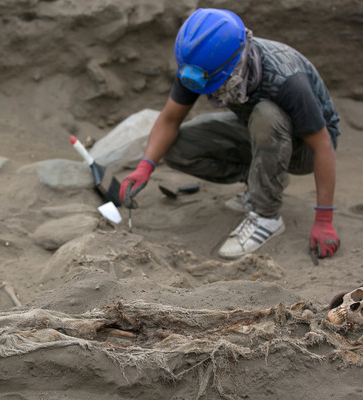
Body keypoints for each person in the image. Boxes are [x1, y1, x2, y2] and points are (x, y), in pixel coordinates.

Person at [119, 8, 340, 260]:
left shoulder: (285, 78)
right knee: (175, 146)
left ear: (234, 61)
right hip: (257, 129)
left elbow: (323, 145)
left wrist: (324, 219)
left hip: (305, 149)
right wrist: (145, 166)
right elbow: (169, 120)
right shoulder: (198, 64)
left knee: (267, 114)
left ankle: (267, 217)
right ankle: (260, 184)